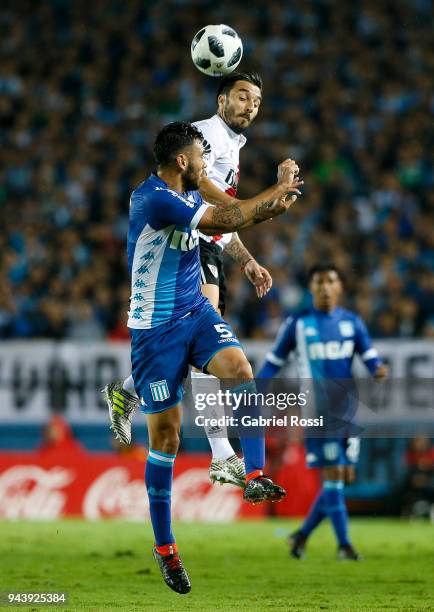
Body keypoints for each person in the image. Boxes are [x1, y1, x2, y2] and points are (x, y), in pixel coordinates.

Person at [119, 121, 302, 593]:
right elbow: (226, 219)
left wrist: (265, 212)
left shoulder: (186, 190)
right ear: (183, 161)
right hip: (155, 330)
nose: (208, 162)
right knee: (167, 441)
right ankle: (165, 549)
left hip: (194, 312)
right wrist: (275, 193)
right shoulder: (155, 198)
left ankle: (255, 472)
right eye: (202, 155)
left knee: (241, 368)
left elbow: (232, 215)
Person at [104, 72, 275, 487]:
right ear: (220, 100)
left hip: (210, 243)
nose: (250, 105)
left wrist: (247, 259)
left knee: (200, 347)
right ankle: (222, 455)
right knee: (202, 338)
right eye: (241, 96)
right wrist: (265, 201)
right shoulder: (205, 135)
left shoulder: (233, 146)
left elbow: (220, 211)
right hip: (189, 242)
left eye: (255, 99)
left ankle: (127, 391)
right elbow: (203, 196)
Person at [257, 263, 388, 560]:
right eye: (319, 282)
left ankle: (301, 536)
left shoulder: (352, 323)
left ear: (340, 287)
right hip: (319, 415)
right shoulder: (298, 324)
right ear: (311, 288)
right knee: (332, 479)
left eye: (330, 281)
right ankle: (344, 545)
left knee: (342, 480)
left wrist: (378, 369)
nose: (325, 287)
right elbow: (273, 361)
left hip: (348, 414)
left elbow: (371, 358)